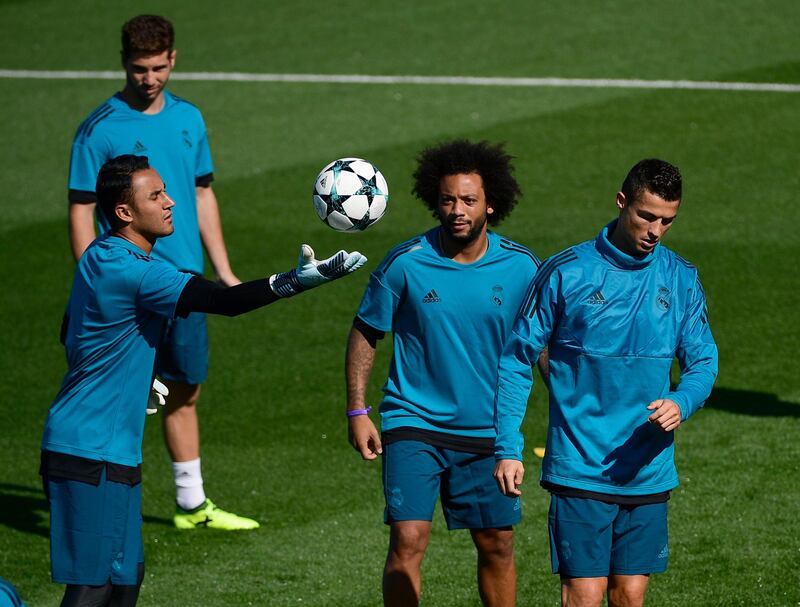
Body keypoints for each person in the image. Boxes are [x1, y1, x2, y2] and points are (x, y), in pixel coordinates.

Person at [42, 155, 366, 606]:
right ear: (124, 213)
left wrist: (135, 377)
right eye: (155, 196)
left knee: (124, 582)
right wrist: (297, 280)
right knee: (94, 585)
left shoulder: (100, 253)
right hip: (87, 449)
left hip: (106, 447)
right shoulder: (135, 270)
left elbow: (69, 330)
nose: (171, 201)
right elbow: (225, 301)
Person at [493, 159, 719, 607]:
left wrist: (683, 400)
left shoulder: (681, 279)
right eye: (646, 216)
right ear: (621, 203)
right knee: (584, 594)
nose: (655, 230)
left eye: (667, 221)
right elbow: (517, 359)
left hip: (648, 469)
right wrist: (506, 447)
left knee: (630, 596)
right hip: (580, 464)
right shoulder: (566, 272)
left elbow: (703, 362)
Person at [67, 15, 253, 529]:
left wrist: (225, 271)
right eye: (139, 68)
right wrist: (91, 278)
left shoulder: (190, 118)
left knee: (184, 386)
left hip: (183, 280)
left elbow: (201, 193)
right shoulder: (99, 128)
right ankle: (99, 501)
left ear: (173, 59)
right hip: (127, 284)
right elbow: (82, 207)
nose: (149, 78)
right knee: (118, 396)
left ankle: (190, 505)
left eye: (158, 68)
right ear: (124, 62)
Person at [346, 140, 540, 607]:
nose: (457, 210)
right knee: (408, 540)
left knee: (497, 543)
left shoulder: (521, 268)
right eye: (448, 199)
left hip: (487, 429)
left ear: (491, 204)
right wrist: (358, 409)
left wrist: (577, 415)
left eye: (469, 200)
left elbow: (544, 348)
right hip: (415, 423)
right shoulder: (405, 262)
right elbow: (366, 332)